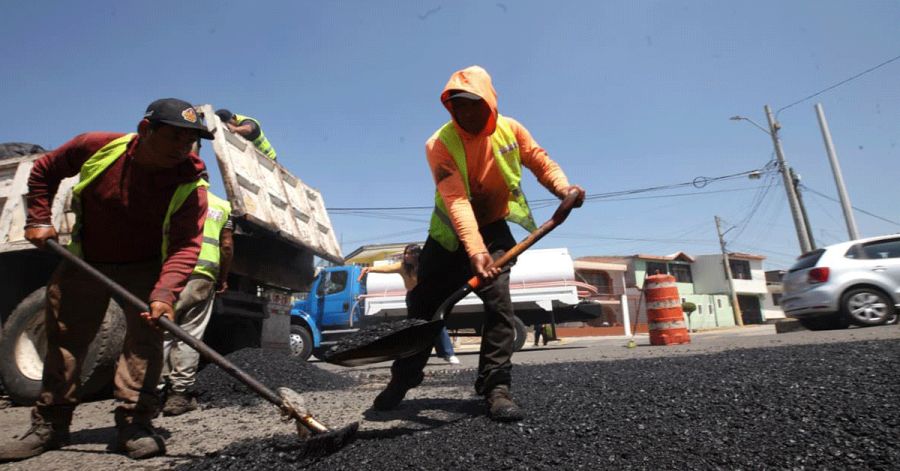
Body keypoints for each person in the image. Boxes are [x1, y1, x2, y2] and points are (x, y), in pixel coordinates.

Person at [0, 98, 212, 462]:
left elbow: (185, 246)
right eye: (174, 137)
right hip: (86, 260)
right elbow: (45, 171)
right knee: (65, 340)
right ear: (145, 130)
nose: (183, 148)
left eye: (189, 140)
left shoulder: (190, 182)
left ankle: (134, 424)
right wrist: (37, 217)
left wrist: (163, 294)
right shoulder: (96, 146)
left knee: (145, 341)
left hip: (145, 266)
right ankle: (49, 424)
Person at [371, 66, 585, 421]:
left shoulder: (511, 130)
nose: (467, 114)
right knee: (424, 311)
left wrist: (564, 188)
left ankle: (496, 388)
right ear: (449, 108)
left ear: (490, 103)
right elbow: (456, 200)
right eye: (458, 107)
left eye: (474, 105)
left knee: (500, 305)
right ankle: (403, 380)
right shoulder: (439, 144)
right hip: (447, 238)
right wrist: (474, 252)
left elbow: (539, 161)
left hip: (494, 229)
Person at [159, 191, 234, 416]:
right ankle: (178, 396)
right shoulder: (222, 206)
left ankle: (153, 393)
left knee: (162, 331)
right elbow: (227, 245)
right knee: (190, 335)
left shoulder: (173, 194)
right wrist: (223, 276)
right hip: (203, 275)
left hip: (170, 272)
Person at [359, 244, 460, 365]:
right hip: (413, 297)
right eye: (405, 253)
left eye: (410, 253)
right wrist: (369, 269)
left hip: (429, 296)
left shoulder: (426, 264)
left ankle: (448, 354)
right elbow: (387, 268)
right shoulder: (402, 267)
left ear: (418, 254)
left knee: (437, 322)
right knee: (415, 325)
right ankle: (412, 356)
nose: (406, 256)